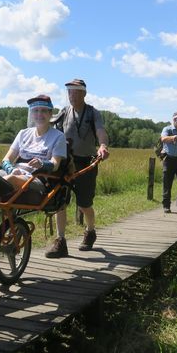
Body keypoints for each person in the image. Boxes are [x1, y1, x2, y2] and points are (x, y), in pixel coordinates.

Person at [45, 78, 109, 258]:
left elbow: (100, 130)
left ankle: (90, 231)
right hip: (65, 162)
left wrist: (103, 146)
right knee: (60, 202)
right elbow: (51, 127)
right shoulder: (64, 111)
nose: (71, 95)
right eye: (69, 91)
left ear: (84, 93)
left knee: (84, 204)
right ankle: (60, 241)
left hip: (85, 163)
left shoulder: (92, 113)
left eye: (75, 91)